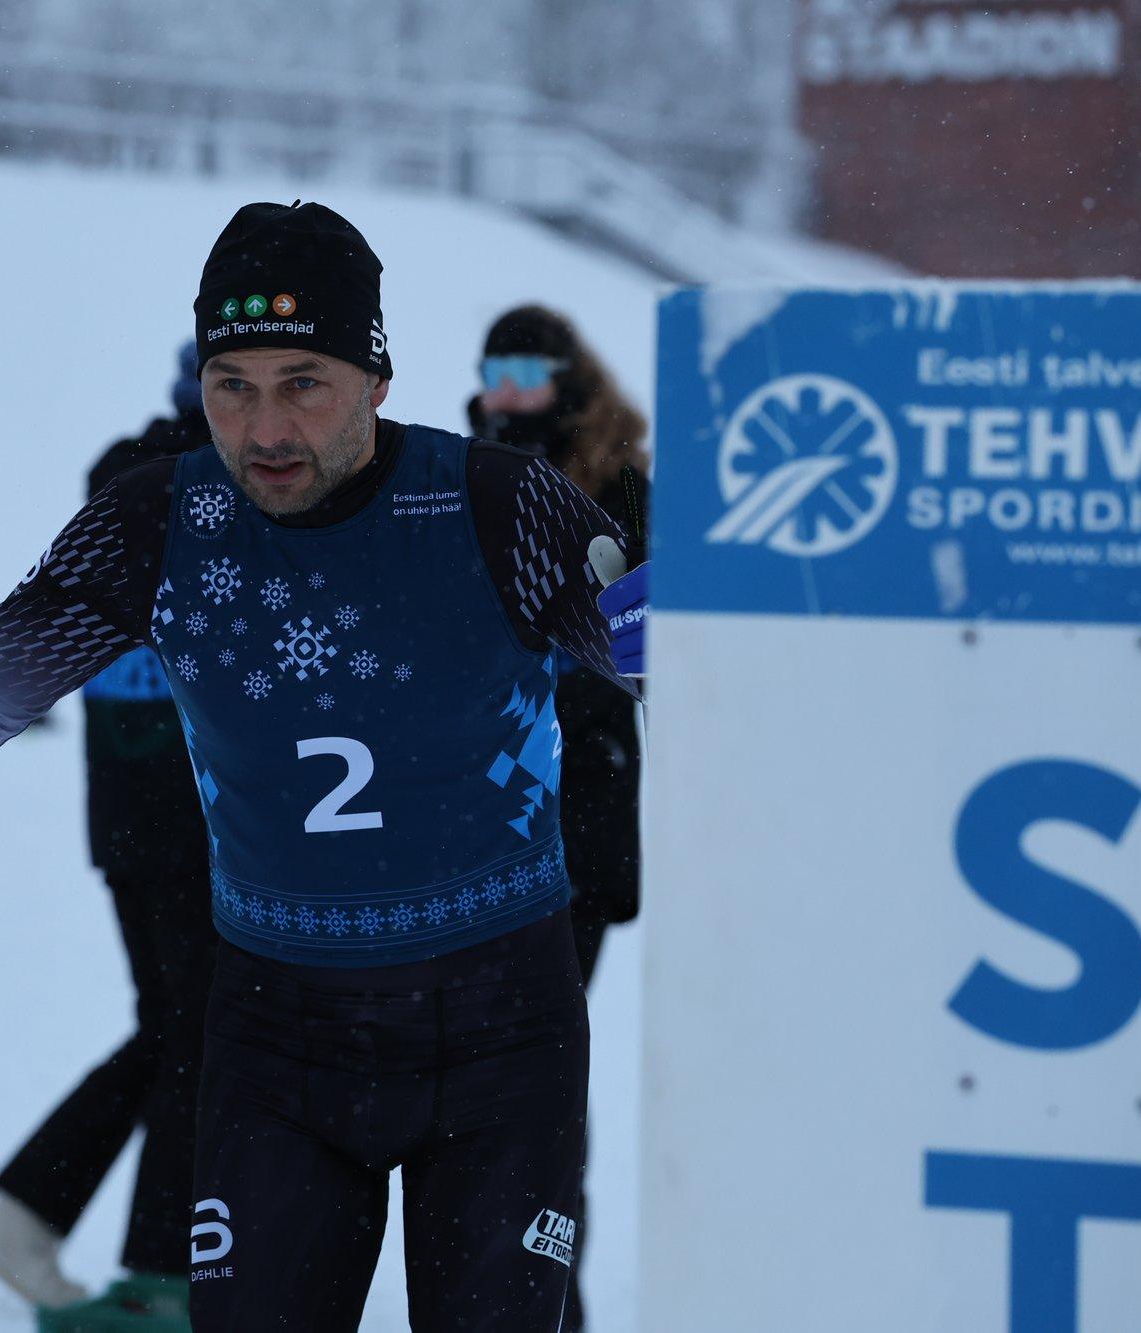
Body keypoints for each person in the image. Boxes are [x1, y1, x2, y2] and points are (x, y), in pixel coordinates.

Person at [0, 201, 646, 1330]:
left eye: (305, 381)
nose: (264, 428)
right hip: (275, 1039)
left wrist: (675, 633)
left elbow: (670, 679)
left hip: (499, 1034)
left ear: (376, 379)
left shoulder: (494, 502)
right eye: (231, 384)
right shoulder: (157, 520)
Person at [0, 345, 217, 1332]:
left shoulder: (125, 473)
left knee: (177, 1026)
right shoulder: (194, 483)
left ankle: (40, 1222)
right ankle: (153, 1267)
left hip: (127, 801)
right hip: (185, 803)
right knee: (192, 1029)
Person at [468, 304, 649, 1332]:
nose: (504, 382)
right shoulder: (451, 473)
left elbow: (649, 650)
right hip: (466, 811)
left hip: (573, 818)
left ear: (563, 374)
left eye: (524, 364)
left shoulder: (614, 483)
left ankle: (545, 1299)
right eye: (493, 363)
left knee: (535, 1081)